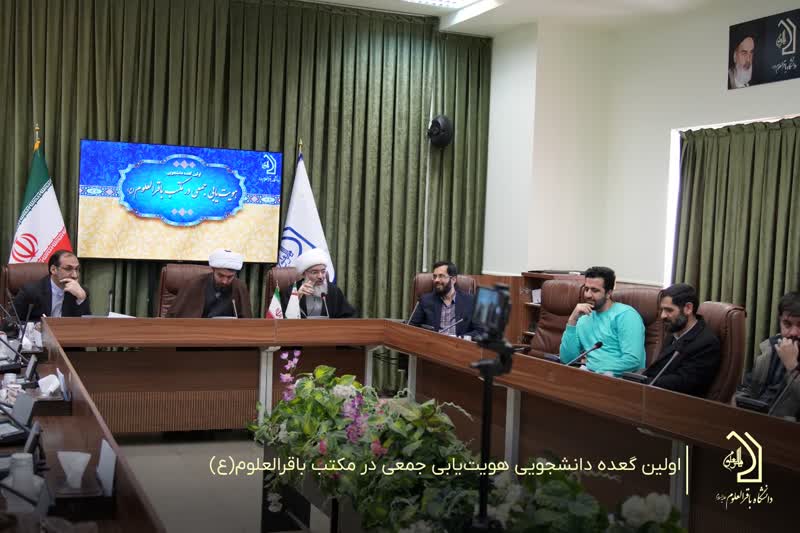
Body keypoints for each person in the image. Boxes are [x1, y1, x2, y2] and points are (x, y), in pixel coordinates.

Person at [559, 266, 645, 376]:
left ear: (608, 293)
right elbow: (567, 359)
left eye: (595, 290)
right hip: (589, 376)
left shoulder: (626, 315)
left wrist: (599, 373)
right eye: (586, 289)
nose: (588, 295)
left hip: (617, 379)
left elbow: (633, 360)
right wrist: (572, 320)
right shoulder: (583, 317)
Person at [642, 283, 720, 396]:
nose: (663, 316)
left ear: (688, 308)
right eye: (662, 310)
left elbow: (684, 383)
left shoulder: (707, 343)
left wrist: (644, 382)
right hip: (655, 394)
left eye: (669, 310)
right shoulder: (674, 330)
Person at [735, 291, 800, 418]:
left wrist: (792, 366)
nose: (793, 332)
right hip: (757, 420)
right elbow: (749, 388)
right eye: (787, 324)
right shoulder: (770, 349)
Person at [167, 249, 253, 318]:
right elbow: (175, 317)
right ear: (213, 269)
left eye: (230, 277)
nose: (225, 281)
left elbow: (246, 321)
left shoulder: (239, 287)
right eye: (221, 275)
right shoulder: (193, 284)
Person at [12, 250, 91, 321]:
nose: (75, 275)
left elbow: (87, 326)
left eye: (77, 269)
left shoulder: (80, 292)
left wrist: (81, 298)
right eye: (68, 269)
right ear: (53, 269)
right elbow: (11, 321)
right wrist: (35, 326)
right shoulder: (31, 291)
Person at [409, 261, 479, 338]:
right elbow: (412, 328)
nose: (436, 280)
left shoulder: (470, 301)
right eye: (435, 276)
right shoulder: (425, 300)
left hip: (458, 343)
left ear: (453, 279)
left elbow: (479, 331)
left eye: (441, 276)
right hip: (432, 343)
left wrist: (461, 338)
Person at [281, 248, 357, 318]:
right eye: (315, 272)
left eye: (323, 271)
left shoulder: (334, 291)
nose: (320, 276)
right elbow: (282, 317)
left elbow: (348, 317)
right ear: (304, 274)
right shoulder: (291, 291)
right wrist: (296, 298)